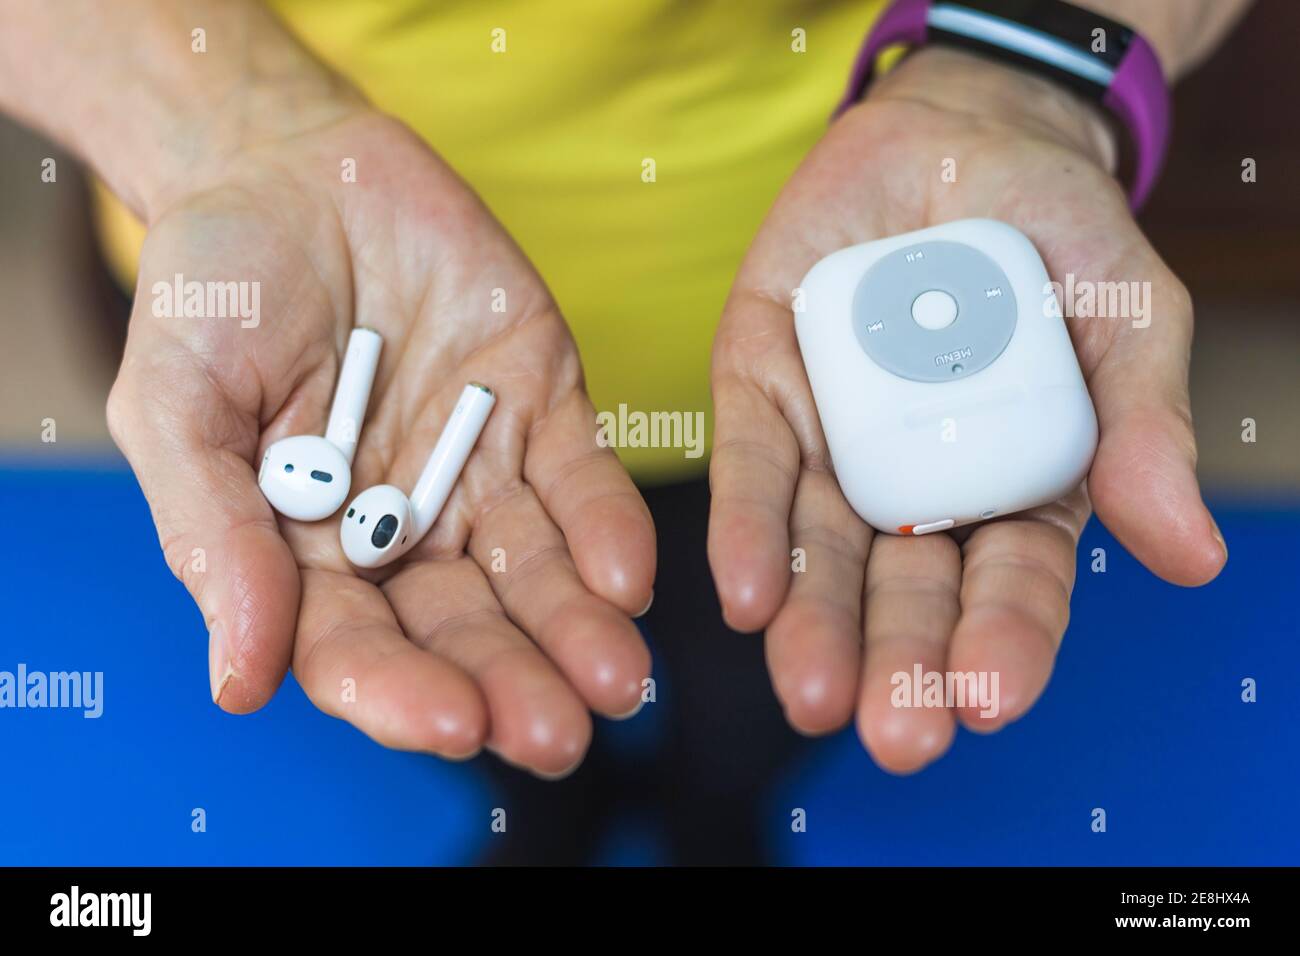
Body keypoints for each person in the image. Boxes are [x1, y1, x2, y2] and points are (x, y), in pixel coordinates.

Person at [0, 1, 1249, 812]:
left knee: (766, 674)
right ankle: (558, 808)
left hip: (806, 321)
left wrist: (1016, 71)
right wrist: (228, 134)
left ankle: (717, 815)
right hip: (297, 286)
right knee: (495, 687)